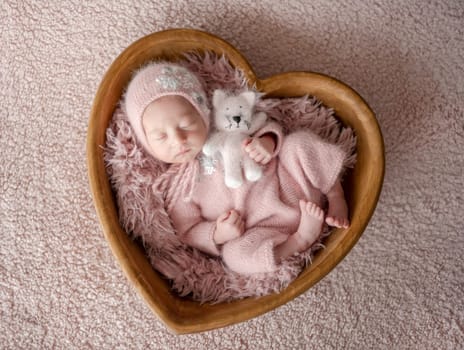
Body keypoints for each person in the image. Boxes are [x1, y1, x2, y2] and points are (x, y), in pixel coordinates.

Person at [124, 62, 350, 274]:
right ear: (146, 143)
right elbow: (188, 231)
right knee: (234, 256)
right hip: (263, 230)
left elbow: (268, 126)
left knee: (298, 143)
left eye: (186, 124)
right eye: (161, 136)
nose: (178, 139)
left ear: (202, 114)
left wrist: (266, 143)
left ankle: (335, 195)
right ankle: (300, 240)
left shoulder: (225, 128)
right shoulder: (178, 187)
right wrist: (218, 233)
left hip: (291, 184)